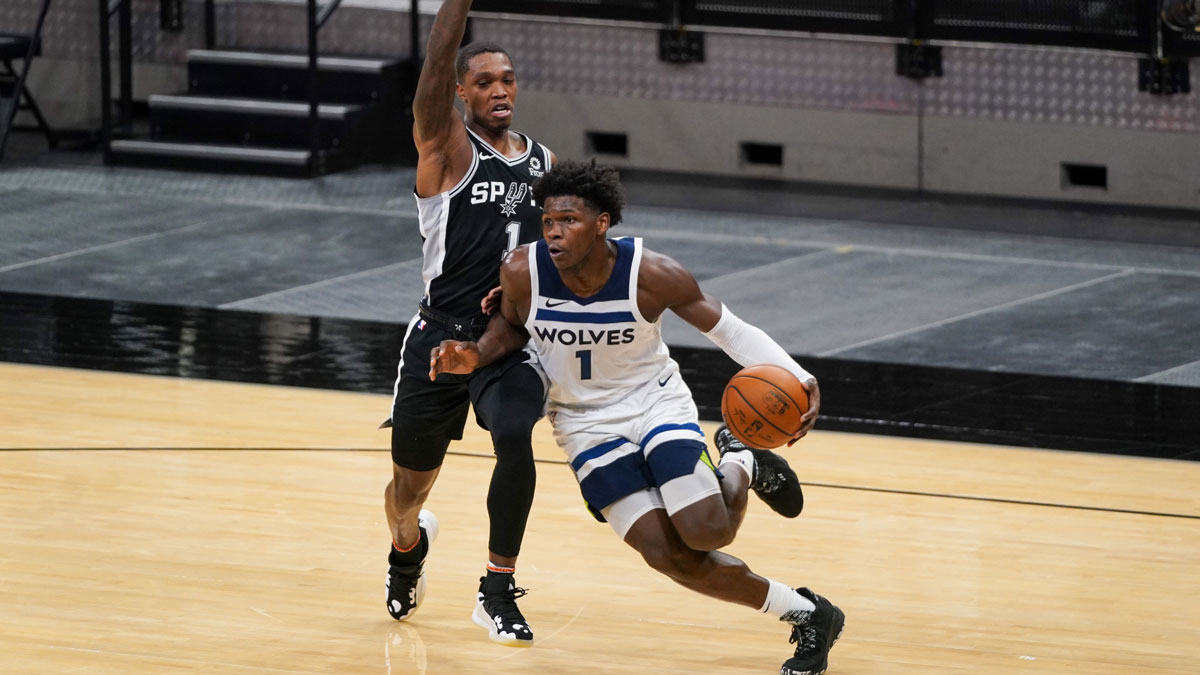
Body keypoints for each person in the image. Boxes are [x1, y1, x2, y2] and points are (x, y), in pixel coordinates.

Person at [429, 161, 845, 675]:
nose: (554, 232)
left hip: (653, 404)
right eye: (547, 221)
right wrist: (473, 354)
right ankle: (807, 613)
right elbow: (511, 330)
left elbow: (731, 332)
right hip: (583, 421)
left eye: (569, 221)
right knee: (666, 554)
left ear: (602, 223)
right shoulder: (522, 270)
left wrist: (797, 376)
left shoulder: (651, 274)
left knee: (707, 530)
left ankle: (740, 460)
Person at [381, 0, 556, 647]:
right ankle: (407, 549)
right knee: (408, 488)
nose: (499, 89)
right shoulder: (447, 147)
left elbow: (562, 250)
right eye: (482, 80)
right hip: (437, 337)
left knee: (515, 433)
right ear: (460, 92)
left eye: (506, 78)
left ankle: (497, 587)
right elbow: (432, 68)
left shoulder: (543, 163)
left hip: (503, 341)